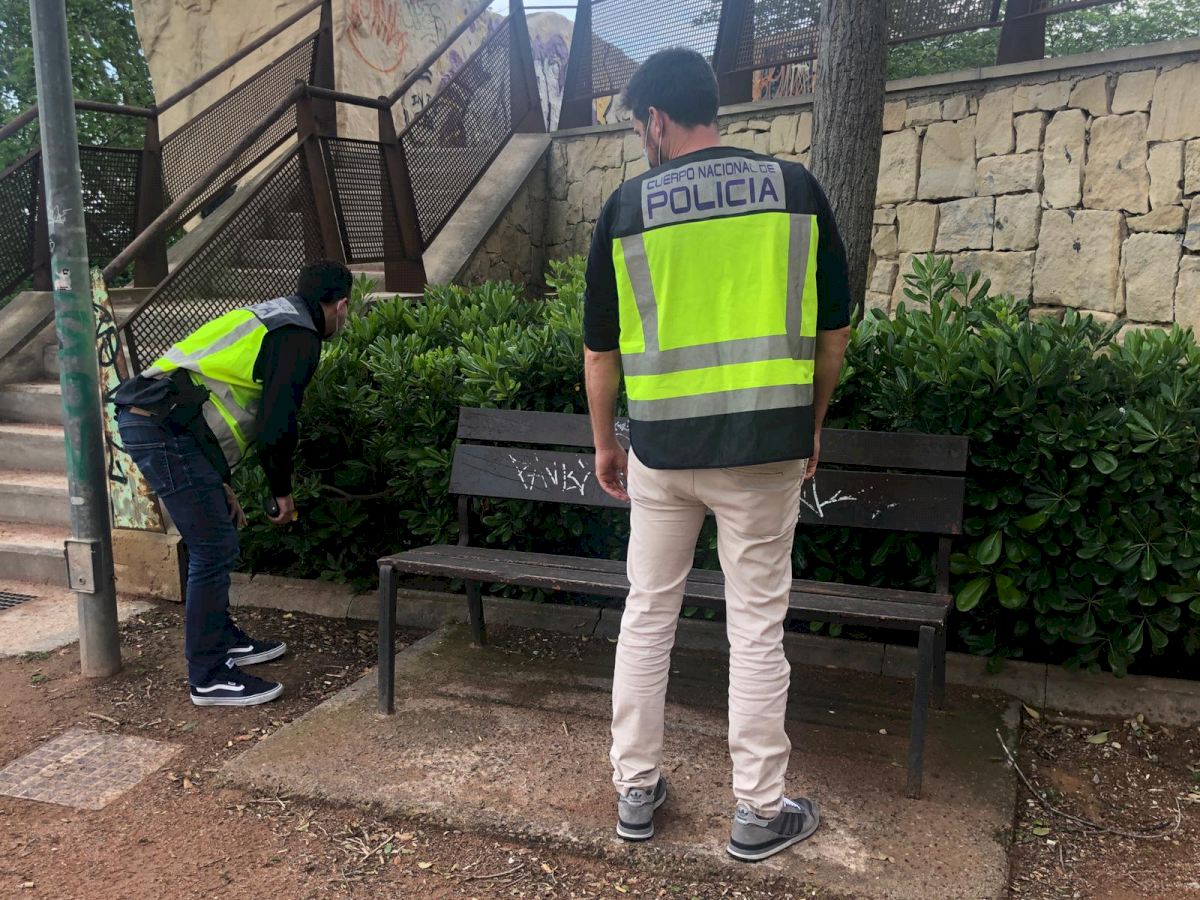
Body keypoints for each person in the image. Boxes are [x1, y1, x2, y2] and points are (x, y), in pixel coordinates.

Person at [582, 49, 852, 862]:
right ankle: (758, 812)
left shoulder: (627, 208)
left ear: (657, 119)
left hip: (663, 450)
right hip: (766, 450)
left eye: (639, 126)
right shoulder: (795, 190)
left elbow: (601, 351)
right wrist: (811, 424)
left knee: (648, 613)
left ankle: (635, 790)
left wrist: (605, 442)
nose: (642, 139)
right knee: (757, 627)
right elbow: (833, 333)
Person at [115, 259, 353, 708]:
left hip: (164, 421)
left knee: (217, 533)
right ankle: (208, 676)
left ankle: (222, 639)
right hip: (163, 427)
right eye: (347, 311)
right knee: (212, 548)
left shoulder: (273, 316)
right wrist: (281, 492)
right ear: (340, 306)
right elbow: (277, 422)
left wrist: (219, 482)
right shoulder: (299, 337)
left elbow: (208, 396)